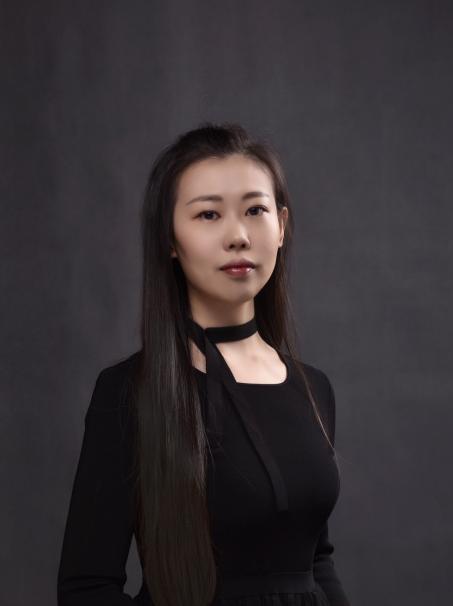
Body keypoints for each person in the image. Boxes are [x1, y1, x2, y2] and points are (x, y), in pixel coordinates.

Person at [57, 122, 351, 606]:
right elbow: (86, 587)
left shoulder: (313, 388)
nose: (238, 236)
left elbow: (316, 560)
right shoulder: (131, 392)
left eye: (255, 210)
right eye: (209, 214)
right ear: (169, 239)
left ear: (282, 226)